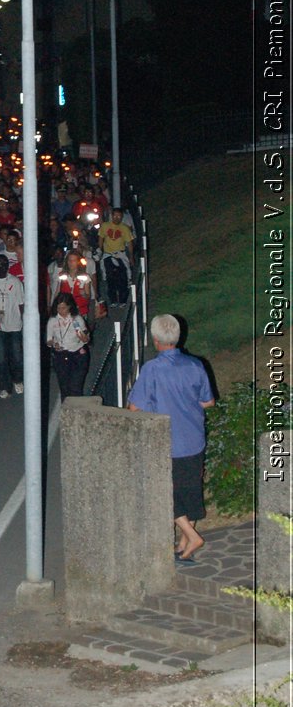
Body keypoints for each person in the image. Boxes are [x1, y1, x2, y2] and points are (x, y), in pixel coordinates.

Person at [127, 314, 215, 561]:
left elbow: (135, 407)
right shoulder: (195, 365)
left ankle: (191, 536)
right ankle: (185, 543)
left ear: (156, 340)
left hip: (167, 442)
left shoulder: (152, 369)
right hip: (194, 438)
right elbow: (207, 401)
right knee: (190, 489)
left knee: (167, 492)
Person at [0, 253, 24, 399]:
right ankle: (5, 387)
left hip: (14, 324)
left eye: (5, 263)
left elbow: (21, 304)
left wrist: (22, 321)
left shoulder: (15, 282)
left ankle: (18, 380)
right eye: (0, 264)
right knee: (0, 358)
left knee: (16, 356)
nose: (3, 266)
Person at [46, 294, 90, 400]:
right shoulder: (53, 321)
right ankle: (66, 413)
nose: (61, 310)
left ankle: (77, 412)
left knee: (76, 387)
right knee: (64, 388)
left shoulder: (77, 319)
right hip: (61, 355)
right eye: (58, 308)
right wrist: (53, 344)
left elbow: (86, 339)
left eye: (63, 308)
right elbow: (49, 340)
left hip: (78, 354)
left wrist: (83, 336)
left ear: (69, 307)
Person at [98, 207, 135, 306]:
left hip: (120, 254)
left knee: (123, 278)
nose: (117, 218)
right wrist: (100, 251)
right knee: (110, 278)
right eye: (115, 215)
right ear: (111, 215)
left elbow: (130, 243)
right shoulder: (105, 226)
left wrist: (131, 257)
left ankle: (123, 300)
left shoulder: (125, 228)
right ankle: (113, 300)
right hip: (108, 255)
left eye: (119, 216)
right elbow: (101, 238)